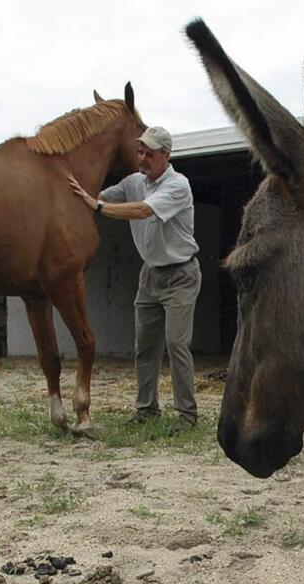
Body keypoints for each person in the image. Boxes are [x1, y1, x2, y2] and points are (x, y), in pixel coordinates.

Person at [67, 126, 201, 428]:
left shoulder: (178, 185)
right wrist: (72, 187)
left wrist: (97, 207)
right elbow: (93, 194)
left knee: (176, 343)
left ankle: (187, 416)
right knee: (144, 347)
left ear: (165, 156)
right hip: (150, 274)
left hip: (181, 275)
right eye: (140, 152)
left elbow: (141, 211)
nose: (142, 158)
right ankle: (146, 410)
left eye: (149, 153)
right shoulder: (133, 182)